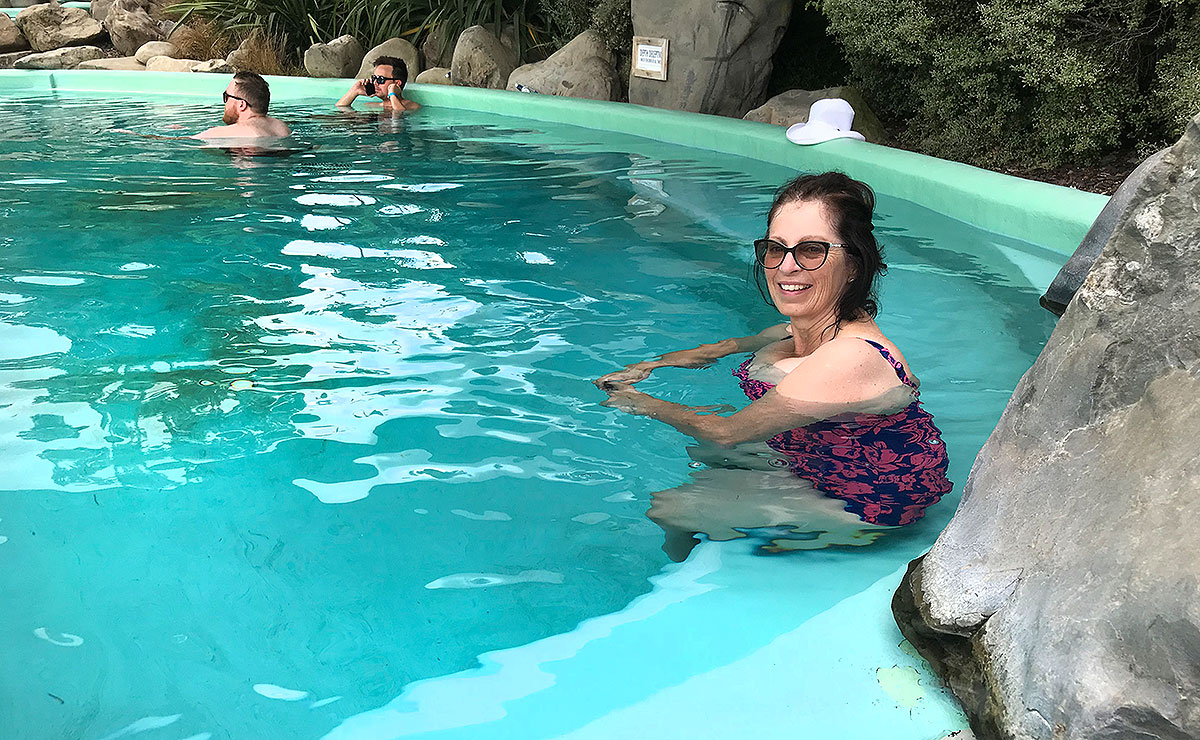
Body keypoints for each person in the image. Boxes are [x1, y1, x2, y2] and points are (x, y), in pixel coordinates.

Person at [596, 171, 952, 559]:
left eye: (811, 250)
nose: (786, 267)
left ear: (853, 265)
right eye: (775, 249)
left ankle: (695, 564)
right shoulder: (799, 329)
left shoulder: (851, 356)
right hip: (818, 458)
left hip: (867, 503)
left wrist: (635, 401)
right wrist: (653, 365)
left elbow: (725, 433)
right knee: (706, 456)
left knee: (669, 506)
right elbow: (730, 346)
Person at [195, 72, 291, 139]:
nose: (225, 102)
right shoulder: (283, 128)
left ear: (242, 105)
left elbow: (188, 143)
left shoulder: (226, 133)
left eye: (226, 96)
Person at [337, 56, 421, 112]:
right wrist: (354, 91)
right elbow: (339, 111)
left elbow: (399, 117)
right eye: (374, 78)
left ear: (397, 83)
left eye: (380, 79)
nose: (375, 83)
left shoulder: (411, 106)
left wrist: (392, 94)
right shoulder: (371, 106)